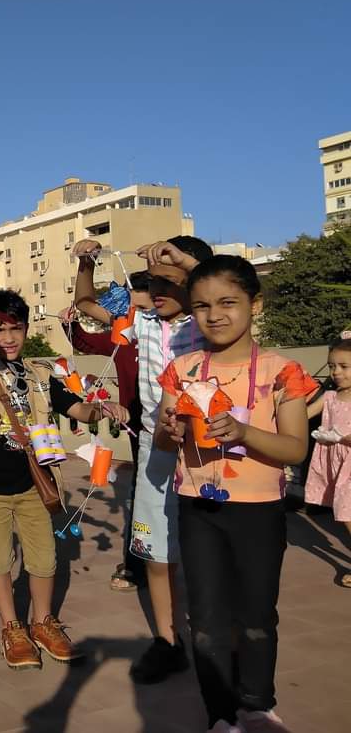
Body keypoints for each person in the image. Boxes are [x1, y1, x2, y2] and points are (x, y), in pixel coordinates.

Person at [156, 255, 316, 733]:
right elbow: (164, 442)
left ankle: (258, 704)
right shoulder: (182, 369)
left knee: (256, 616)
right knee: (205, 619)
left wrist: (245, 432)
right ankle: (220, 714)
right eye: (202, 306)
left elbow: (295, 448)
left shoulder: (282, 371)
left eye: (228, 302)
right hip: (198, 507)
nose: (214, 315)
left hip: (258, 512)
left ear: (255, 304)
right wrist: (168, 430)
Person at [0, 288, 130, 670]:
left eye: (16, 328)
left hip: (35, 486)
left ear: (27, 330)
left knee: (44, 559)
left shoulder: (41, 375)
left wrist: (104, 408)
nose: (9, 337)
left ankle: (43, 623)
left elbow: (77, 408)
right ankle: (12, 628)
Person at [73, 235, 213, 685]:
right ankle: (169, 641)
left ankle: (216, 635)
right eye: (153, 281)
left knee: (211, 545)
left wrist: (185, 263)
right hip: (156, 447)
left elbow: (218, 288)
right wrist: (87, 263)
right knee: (157, 550)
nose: (157, 290)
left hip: (210, 450)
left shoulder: (210, 322)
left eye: (170, 281)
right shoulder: (141, 319)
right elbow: (86, 304)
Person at [59, 270, 152, 591]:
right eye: (129, 303)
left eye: (142, 304)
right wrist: (71, 324)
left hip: (180, 430)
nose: (132, 310)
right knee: (142, 500)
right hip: (142, 431)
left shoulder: (176, 335)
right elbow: (83, 340)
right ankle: (138, 564)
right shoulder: (124, 334)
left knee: (185, 503)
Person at [305, 332, 351, 587]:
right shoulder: (330, 397)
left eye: (344, 366)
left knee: (345, 512)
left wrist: (341, 437)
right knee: (343, 511)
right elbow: (302, 414)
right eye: (332, 366)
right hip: (336, 463)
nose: (336, 372)